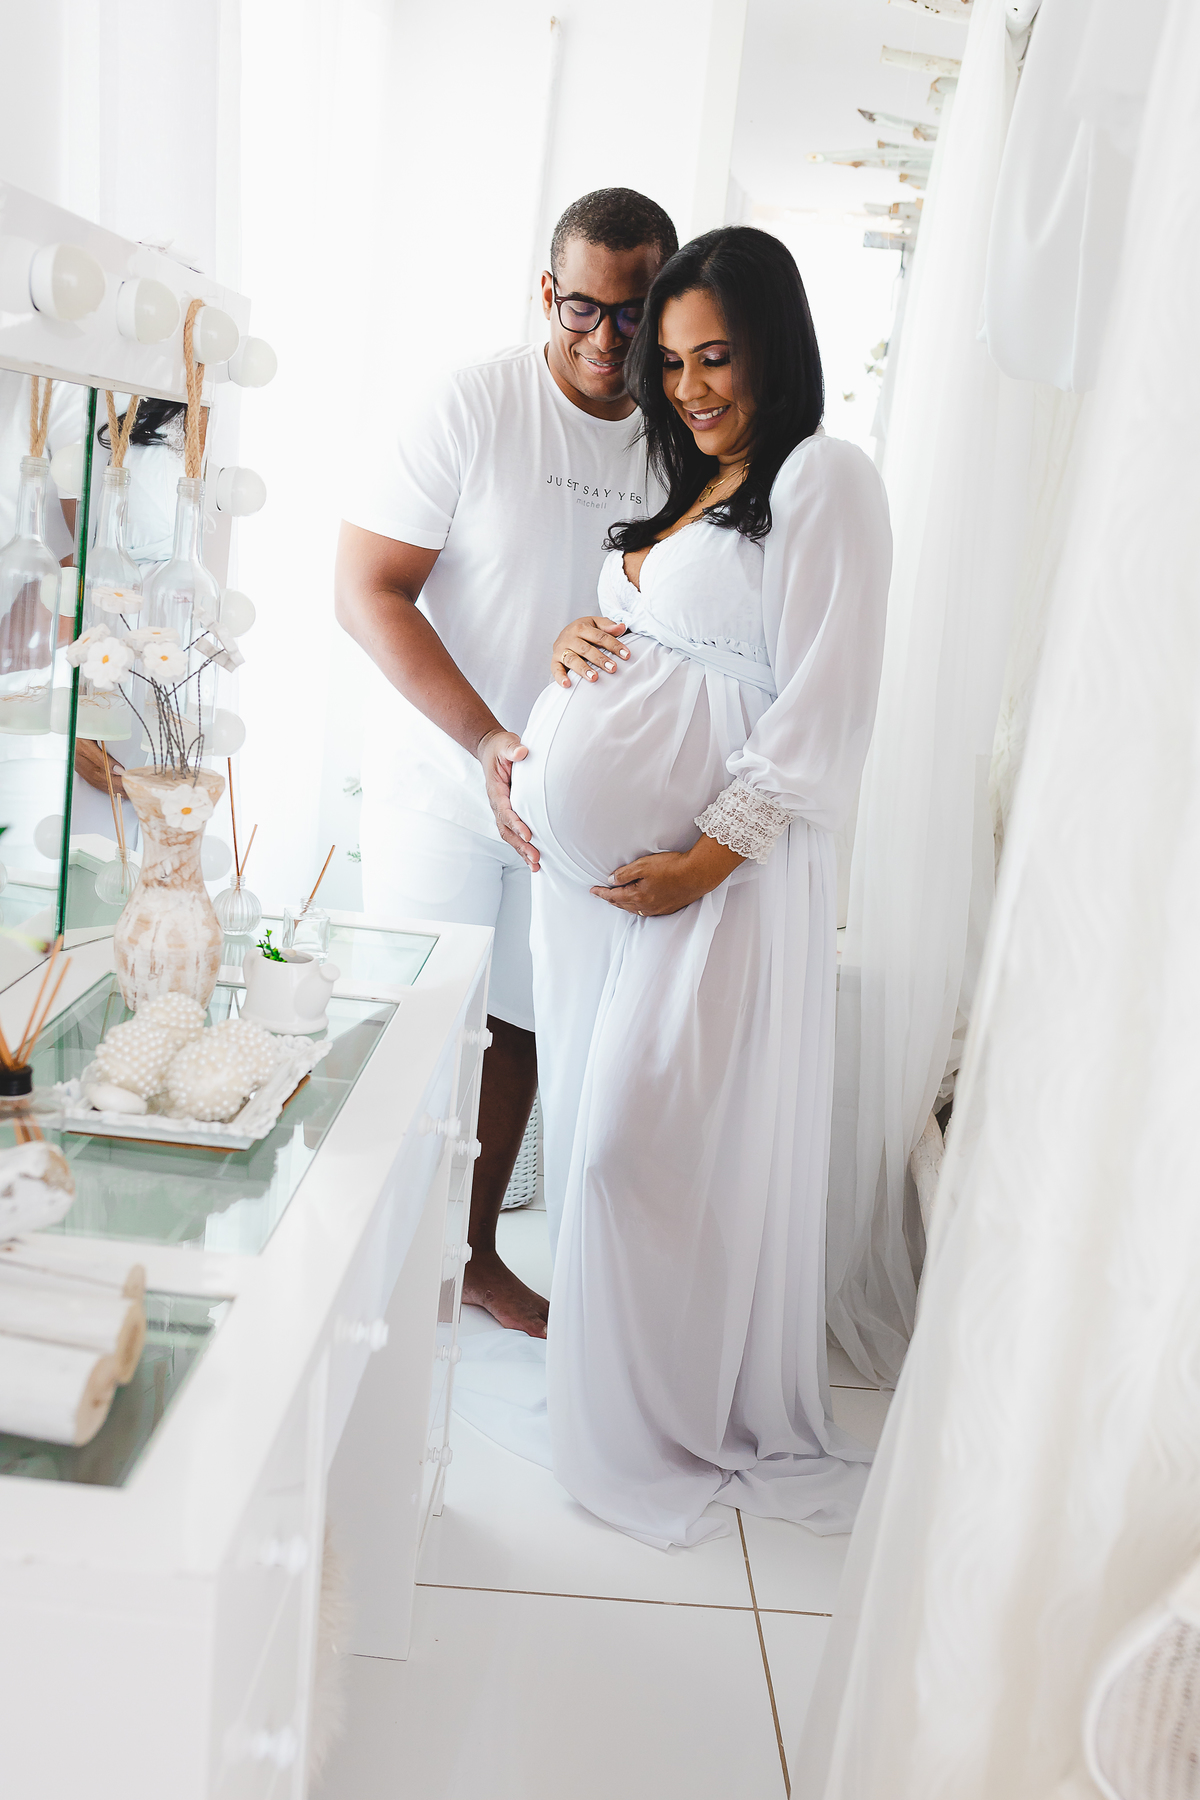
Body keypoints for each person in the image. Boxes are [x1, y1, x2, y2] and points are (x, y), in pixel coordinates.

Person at [509, 227, 893, 1547]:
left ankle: (678, 1421)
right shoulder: (692, 485)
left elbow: (825, 710)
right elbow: (660, 641)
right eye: (671, 364)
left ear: (776, 345)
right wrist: (577, 638)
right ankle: (614, 1400)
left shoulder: (825, 477)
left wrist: (704, 861)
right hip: (618, 896)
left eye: (715, 356)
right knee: (607, 1141)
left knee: (638, 1150)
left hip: (724, 878)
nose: (689, 386)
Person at [335, 188, 678, 1336]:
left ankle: (471, 1256)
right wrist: (486, 739)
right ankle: (379, 1263)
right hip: (442, 778)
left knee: (522, 1029)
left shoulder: (680, 437)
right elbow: (366, 590)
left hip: (568, 804)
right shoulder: (471, 403)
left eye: (636, 313)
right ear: (546, 293)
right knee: (420, 1022)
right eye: (585, 307)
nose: (608, 339)